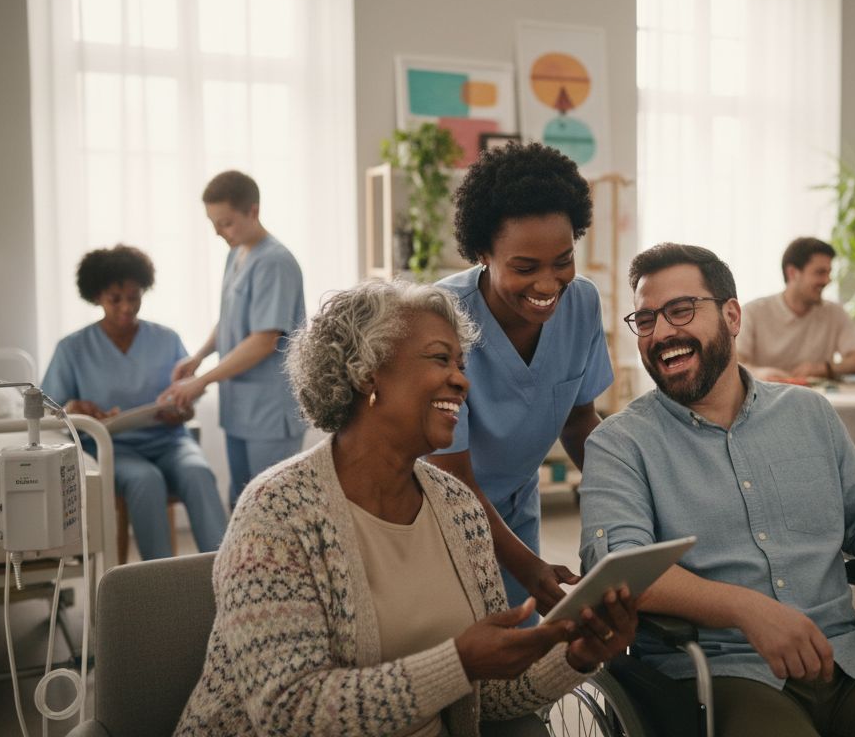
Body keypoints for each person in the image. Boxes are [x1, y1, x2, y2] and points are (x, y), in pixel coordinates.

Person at [579, 243, 855, 736]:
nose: (661, 333)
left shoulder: (808, 413)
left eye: (680, 311)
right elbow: (618, 571)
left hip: (844, 655)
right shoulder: (620, 443)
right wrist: (749, 610)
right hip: (716, 673)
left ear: (731, 316)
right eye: (645, 320)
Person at [176, 280, 638, 737]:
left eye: (461, 363)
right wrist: (457, 662)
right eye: (440, 359)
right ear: (366, 373)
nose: (462, 380)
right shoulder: (277, 513)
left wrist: (576, 653)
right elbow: (287, 714)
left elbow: (490, 695)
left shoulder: (459, 509)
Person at [428, 143, 613, 615]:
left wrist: (626, 495)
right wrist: (529, 566)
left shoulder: (583, 305)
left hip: (514, 507)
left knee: (521, 657)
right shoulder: (439, 318)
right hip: (437, 512)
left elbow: (578, 419)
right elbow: (452, 475)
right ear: (482, 253)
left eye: (563, 261)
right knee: (458, 652)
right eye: (525, 268)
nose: (549, 285)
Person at [41, 245, 226, 560]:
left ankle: (227, 571)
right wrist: (75, 408)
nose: (127, 307)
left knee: (198, 472)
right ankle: (160, 583)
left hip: (169, 440)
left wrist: (181, 411)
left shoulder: (166, 339)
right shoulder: (73, 348)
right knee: (146, 481)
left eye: (134, 297)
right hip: (113, 448)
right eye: (116, 299)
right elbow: (50, 410)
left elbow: (188, 399)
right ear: (96, 296)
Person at [161, 170, 306, 510]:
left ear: (253, 211)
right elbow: (230, 317)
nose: (217, 232)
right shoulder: (236, 253)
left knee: (271, 509)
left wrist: (203, 381)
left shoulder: (274, 262)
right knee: (241, 504)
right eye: (213, 223)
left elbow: (264, 339)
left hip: (269, 412)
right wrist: (199, 356)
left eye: (225, 223)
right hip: (241, 407)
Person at [738, 237, 855, 382]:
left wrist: (825, 368)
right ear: (792, 273)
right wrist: (761, 374)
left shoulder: (834, 313)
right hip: (763, 398)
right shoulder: (753, 312)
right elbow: (733, 364)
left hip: (815, 400)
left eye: (829, 273)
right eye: (820, 273)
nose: (827, 281)